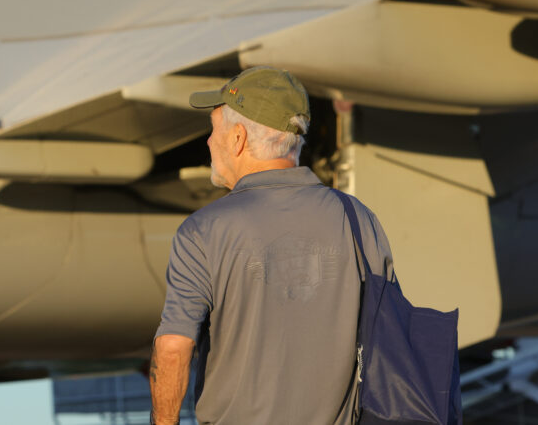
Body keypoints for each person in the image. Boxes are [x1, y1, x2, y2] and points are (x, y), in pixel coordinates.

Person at [149, 66, 395, 425]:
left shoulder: (203, 231)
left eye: (213, 130)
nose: (208, 143)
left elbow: (173, 348)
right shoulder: (359, 220)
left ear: (237, 139)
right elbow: (390, 339)